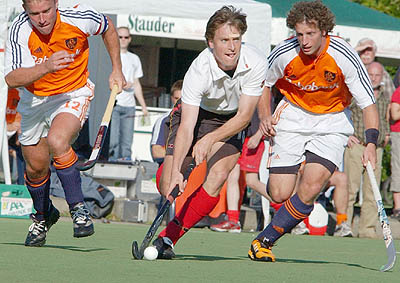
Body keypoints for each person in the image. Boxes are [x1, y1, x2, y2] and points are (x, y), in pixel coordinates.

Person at [249, 0, 378, 262]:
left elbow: (368, 104)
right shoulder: (285, 52)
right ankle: (289, 212)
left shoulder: (344, 55)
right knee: (279, 193)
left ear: (324, 31)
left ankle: (263, 242)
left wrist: (371, 144)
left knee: (311, 187)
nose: (304, 40)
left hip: (332, 121)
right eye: (299, 34)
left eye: (310, 33)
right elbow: (264, 83)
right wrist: (264, 116)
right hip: (293, 115)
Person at [4, 0, 125, 247]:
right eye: (34, 13)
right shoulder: (19, 29)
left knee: (58, 140)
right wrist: (46, 66)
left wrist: (117, 68)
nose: (42, 19)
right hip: (35, 99)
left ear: (56, 4)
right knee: (36, 168)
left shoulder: (79, 18)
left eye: (46, 11)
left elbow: (108, 27)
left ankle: (79, 210)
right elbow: (12, 78)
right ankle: (43, 215)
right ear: (25, 10)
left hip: (73, 93)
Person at [153, 5, 267, 259]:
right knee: (168, 183)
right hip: (197, 116)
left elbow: (245, 117)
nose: (231, 46)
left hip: (231, 120)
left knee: (217, 176)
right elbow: (186, 126)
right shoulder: (198, 69)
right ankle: (169, 172)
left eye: (236, 39)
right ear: (210, 43)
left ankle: (169, 238)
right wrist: (176, 172)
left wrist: (210, 139)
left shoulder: (256, 61)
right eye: (224, 40)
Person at [344, 62, 390, 238]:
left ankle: (367, 230)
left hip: (376, 149)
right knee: (350, 189)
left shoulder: (384, 98)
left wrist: (385, 135)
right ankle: (345, 225)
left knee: (373, 192)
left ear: (381, 77)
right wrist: (347, 136)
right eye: (370, 74)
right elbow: (342, 111)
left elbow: (385, 119)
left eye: (377, 75)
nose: (373, 78)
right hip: (357, 146)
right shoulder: (356, 95)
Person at [210, 112, 271, 233]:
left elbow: (268, 115)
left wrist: (258, 135)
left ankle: (287, 208)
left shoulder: (262, 93)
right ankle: (233, 221)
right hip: (237, 136)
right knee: (232, 176)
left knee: (251, 181)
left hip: (253, 138)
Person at [109, 27, 148, 161]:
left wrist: (143, 106)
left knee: (126, 143)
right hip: (114, 104)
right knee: (112, 141)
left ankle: (124, 169)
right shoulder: (112, 55)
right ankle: (110, 167)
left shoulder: (134, 58)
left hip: (129, 105)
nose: (123, 40)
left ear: (130, 39)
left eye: (126, 37)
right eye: (120, 37)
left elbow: (137, 83)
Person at [150, 80, 182, 165]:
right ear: (171, 98)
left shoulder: (200, 120)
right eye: (176, 99)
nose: (179, 103)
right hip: (167, 167)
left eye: (182, 99)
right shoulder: (163, 120)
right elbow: (156, 152)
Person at [389, 86, 400, 220]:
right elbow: (395, 114)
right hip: (398, 133)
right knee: (398, 168)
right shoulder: (398, 92)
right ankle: (397, 207)